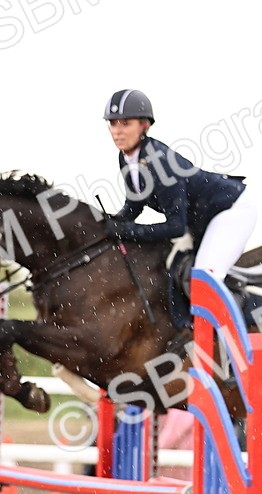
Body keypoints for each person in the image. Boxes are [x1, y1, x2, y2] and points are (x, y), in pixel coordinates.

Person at [102, 89, 254, 353]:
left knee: (204, 278)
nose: (117, 131)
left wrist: (127, 230)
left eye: (125, 123)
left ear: (144, 125)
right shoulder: (126, 158)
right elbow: (135, 204)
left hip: (231, 213)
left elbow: (175, 226)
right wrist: (108, 223)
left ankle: (234, 350)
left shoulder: (161, 161)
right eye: (113, 124)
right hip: (203, 221)